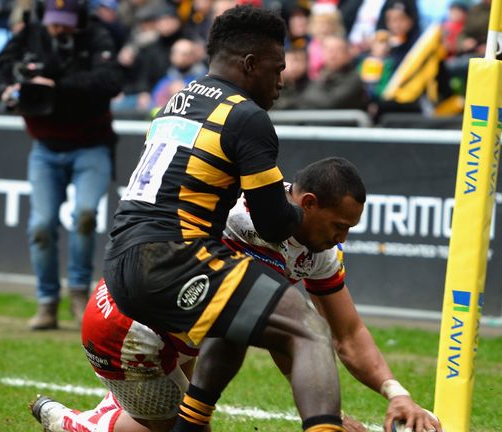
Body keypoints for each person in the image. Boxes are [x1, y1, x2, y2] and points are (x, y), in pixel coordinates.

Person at [29, 157, 442, 432]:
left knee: (196, 394)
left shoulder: (318, 250)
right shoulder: (239, 215)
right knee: (174, 424)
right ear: (309, 203)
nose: (342, 238)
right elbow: (285, 334)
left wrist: (397, 392)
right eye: (339, 226)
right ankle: (80, 425)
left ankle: (123, 404)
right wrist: (323, 414)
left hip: (186, 328)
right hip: (126, 325)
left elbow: (348, 334)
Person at [100, 6, 346, 432]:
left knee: (241, 311)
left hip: (120, 260)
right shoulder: (247, 116)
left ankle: (190, 424)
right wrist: (300, 214)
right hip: (170, 256)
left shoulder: (179, 99)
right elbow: (272, 223)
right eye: (277, 68)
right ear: (250, 64)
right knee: (307, 327)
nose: (282, 81)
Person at [0, 0, 123, 330]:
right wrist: (7, 91)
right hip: (45, 147)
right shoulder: (29, 34)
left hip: (91, 145)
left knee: (85, 216)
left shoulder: (97, 36)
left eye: (65, 22)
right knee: (41, 226)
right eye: (53, 22)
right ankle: (47, 302)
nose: (58, 28)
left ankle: (77, 293)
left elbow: (111, 80)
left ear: (78, 19)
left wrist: (57, 88)